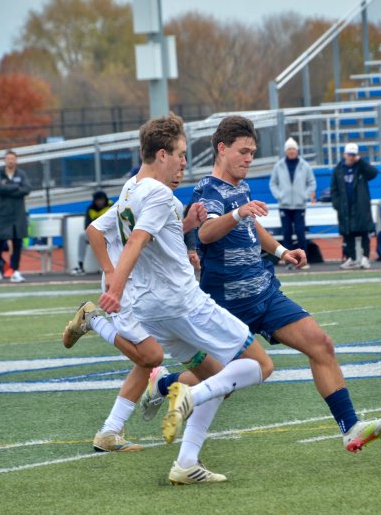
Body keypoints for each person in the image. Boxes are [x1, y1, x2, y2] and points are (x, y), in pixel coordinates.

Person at [70, 114, 274, 485]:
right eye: (180, 154)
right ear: (162, 154)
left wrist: (187, 227)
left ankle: (186, 463)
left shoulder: (132, 188)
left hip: (154, 311)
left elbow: (150, 240)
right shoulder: (160, 194)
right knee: (260, 365)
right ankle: (185, 396)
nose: (184, 162)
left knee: (218, 379)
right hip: (183, 304)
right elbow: (137, 241)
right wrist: (114, 288)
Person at [192, 116, 381, 453]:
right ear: (222, 148)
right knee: (217, 382)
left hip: (264, 293)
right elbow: (206, 233)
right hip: (227, 305)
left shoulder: (241, 187)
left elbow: (251, 228)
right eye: (243, 152)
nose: (249, 159)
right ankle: (164, 385)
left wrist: (281, 251)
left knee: (321, 344)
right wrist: (240, 213)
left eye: (252, 152)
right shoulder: (209, 190)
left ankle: (350, 427)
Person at [64, 165, 207, 455]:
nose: (181, 168)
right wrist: (110, 271)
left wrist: (188, 225)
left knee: (147, 360)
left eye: (184, 159)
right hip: (127, 288)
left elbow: (158, 237)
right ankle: (92, 319)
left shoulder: (165, 199)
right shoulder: (139, 197)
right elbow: (94, 230)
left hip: (146, 288)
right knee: (152, 356)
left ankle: (109, 432)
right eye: (177, 158)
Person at [269, 137, 317, 270]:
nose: (291, 151)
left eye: (293, 149)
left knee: (301, 233)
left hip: (299, 206)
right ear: (286, 151)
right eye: (289, 149)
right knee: (287, 233)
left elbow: (312, 183)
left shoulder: (304, 165)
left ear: (297, 150)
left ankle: (303, 261)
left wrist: (304, 196)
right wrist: (280, 196)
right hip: (284, 205)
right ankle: (289, 261)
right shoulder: (279, 166)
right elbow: (273, 183)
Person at [330, 142, 379, 270]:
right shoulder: (338, 169)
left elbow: (374, 173)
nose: (351, 157)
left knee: (364, 233)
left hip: (360, 206)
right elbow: (334, 189)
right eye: (349, 154)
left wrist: (361, 161)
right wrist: (337, 204)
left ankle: (365, 258)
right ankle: (351, 258)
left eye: (353, 155)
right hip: (345, 206)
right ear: (344, 154)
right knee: (348, 234)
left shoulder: (361, 168)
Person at [0, 150, 30, 283]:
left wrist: (9, 188)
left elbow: (27, 189)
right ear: (4, 160)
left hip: (18, 214)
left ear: (16, 160)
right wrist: (16, 187)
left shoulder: (21, 174)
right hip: (2, 214)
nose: (10, 161)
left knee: (17, 243)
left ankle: (15, 271)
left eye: (13, 159)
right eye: (8, 159)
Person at [71, 190, 112, 275]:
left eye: (101, 199)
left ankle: (108, 266)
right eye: (97, 200)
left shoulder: (111, 206)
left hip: (110, 234)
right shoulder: (90, 209)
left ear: (105, 199)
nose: (99, 202)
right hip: (96, 233)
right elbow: (87, 226)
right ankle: (80, 266)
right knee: (82, 236)